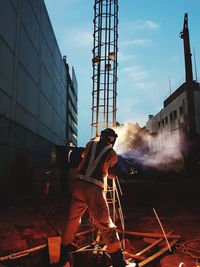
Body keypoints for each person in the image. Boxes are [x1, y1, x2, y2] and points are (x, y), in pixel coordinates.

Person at [58, 128, 135, 267]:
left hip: (77, 185)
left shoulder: (89, 144)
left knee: (73, 220)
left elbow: (83, 156)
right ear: (111, 139)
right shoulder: (112, 153)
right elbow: (111, 174)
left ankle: (63, 256)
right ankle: (119, 262)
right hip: (93, 189)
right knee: (106, 225)